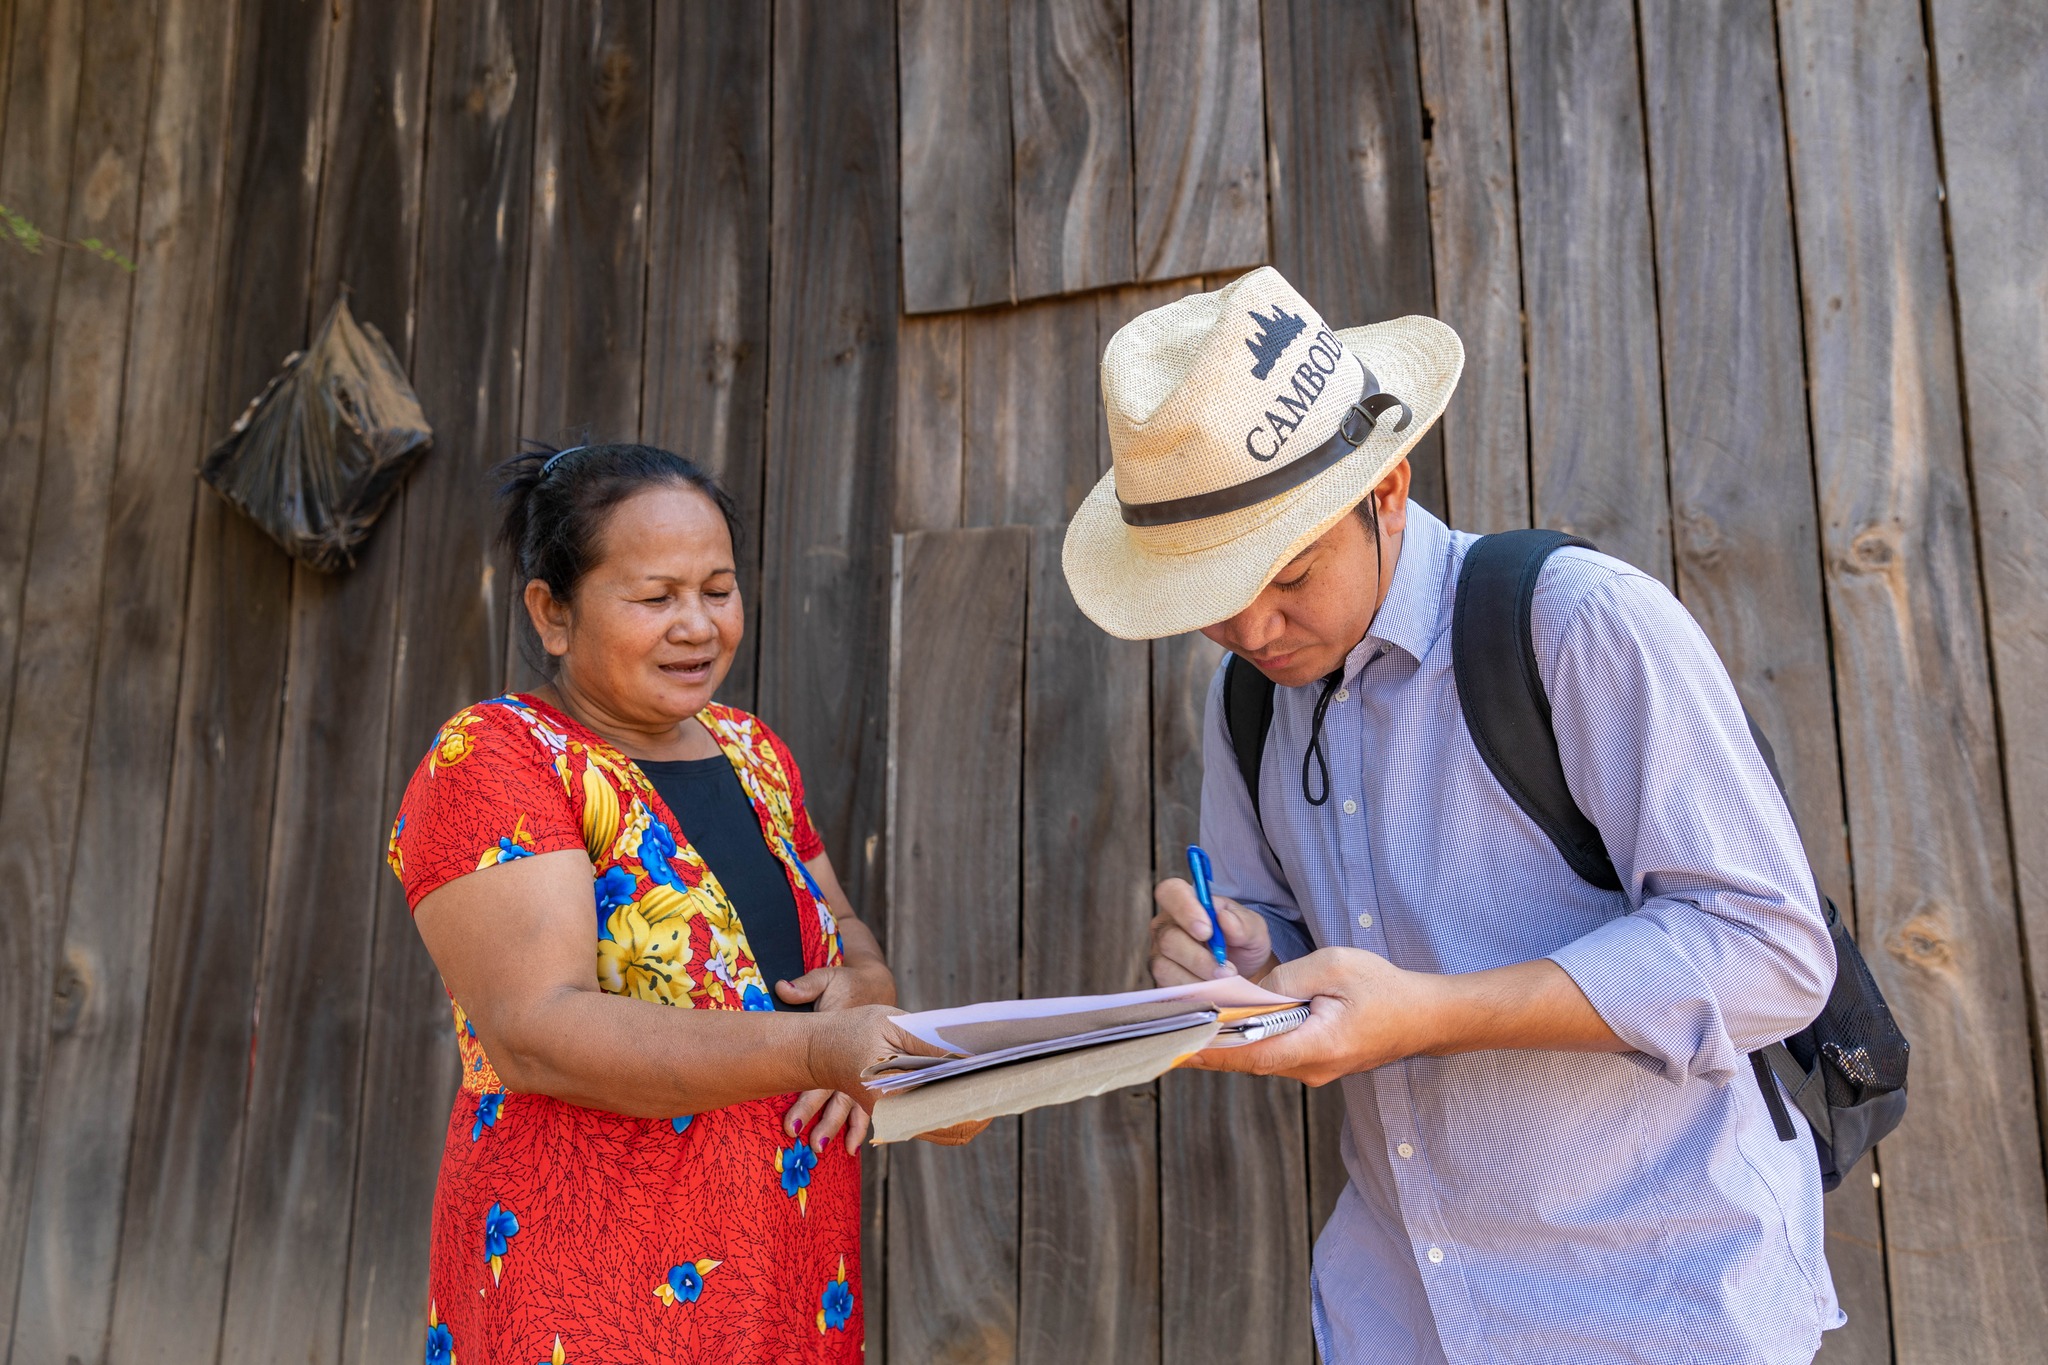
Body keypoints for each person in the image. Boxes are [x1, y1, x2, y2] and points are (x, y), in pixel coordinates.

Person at [1061, 268, 1841, 1363]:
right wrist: (1240, 954)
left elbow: (1769, 953)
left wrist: (1431, 1012)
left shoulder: (1576, 626)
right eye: (1205, 600)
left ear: (1385, 490)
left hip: (1656, 1306)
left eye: (1285, 572)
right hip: (1397, 1313)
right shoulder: (1249, 693)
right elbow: (1282, 930)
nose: (1248, 626)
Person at [387, 443, 977, 1364]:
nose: (698, 625)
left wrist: (867, 982)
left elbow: (839, 925)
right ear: (553, 612)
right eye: (656, 597)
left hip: (784, 1263)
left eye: (718, 588)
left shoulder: (752, 753)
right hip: (589, 1276)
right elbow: (535, 1028)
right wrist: (821, 1048)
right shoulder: (500, 757)